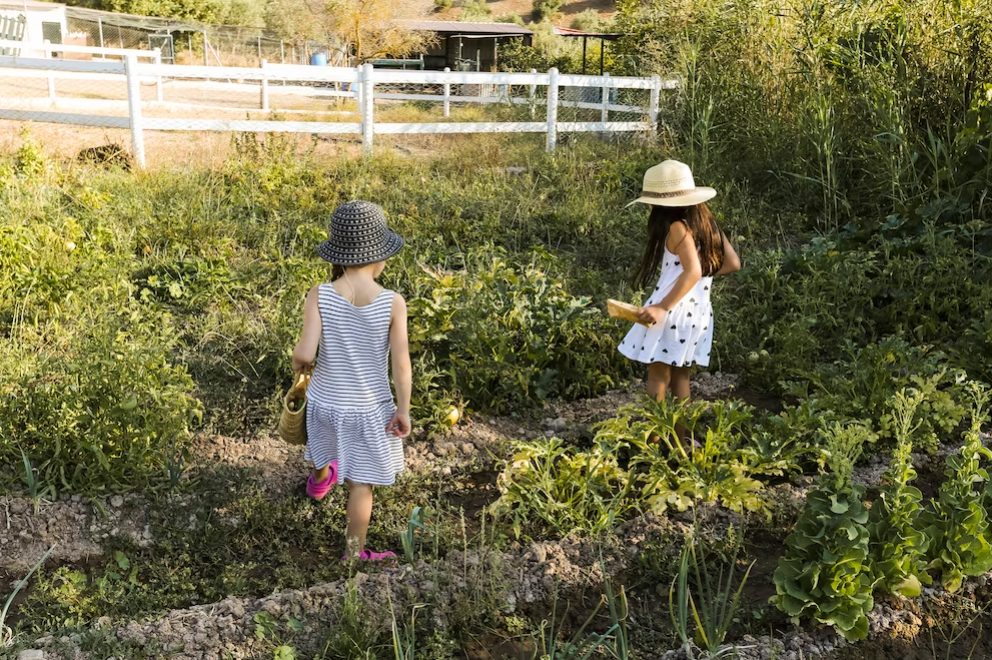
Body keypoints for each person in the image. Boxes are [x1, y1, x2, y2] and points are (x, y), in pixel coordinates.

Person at [292, 200, 412, 562]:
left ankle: (318, 481)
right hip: (368, 409)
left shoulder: (320, 294)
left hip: (325, 403)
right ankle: (353, 553)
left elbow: (305, 353)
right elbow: (401, 365)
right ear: (380, 257)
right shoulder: (392, 302)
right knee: (362, 485)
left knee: (324, 444)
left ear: (338, 255)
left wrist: (299, 371)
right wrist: (403, 409)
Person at [618, 160, 741, 402]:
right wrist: (691, 278)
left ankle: (655, 438)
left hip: (673, 311)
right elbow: (732, 264)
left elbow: (693, 270)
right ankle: (684, 439)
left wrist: (662, 306)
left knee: (658, 377)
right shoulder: (709, 225)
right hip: (697, 313)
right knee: (680, 378)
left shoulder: (677, 227)